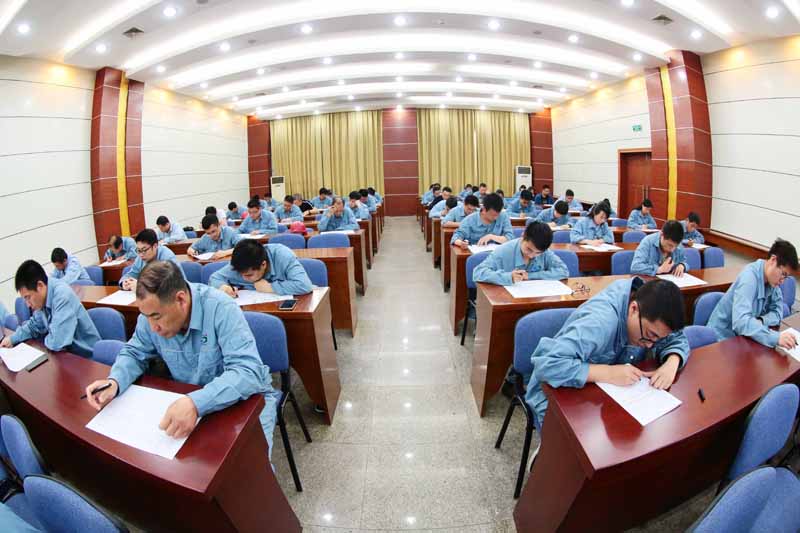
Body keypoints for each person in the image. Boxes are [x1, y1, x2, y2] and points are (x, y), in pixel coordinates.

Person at [83, 261, 281, 459]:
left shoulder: (221, 308)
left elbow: (247, 372)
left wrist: (196, 403)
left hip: (245, 401)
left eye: (156, 317)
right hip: (189, 399)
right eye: (146, 317)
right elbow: (134, 352)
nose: (152, 327)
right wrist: (115, 381)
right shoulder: (151, 311)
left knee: (249, 467)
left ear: (181, 299)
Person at [525, 277, 689, 429]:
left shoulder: (651, 312)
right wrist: (608, 373)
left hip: (605, 395)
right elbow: (547, 365)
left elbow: (676, 337)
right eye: (650, 335)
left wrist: (671, 363)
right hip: (556, 396)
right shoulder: (599, 323)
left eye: (658, 339)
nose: (650, 345)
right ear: (633, 309)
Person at [707, 239, 798, 350]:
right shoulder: (749, 278)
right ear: (773, 260)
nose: (782, 281)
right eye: (783, 274)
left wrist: (761, 320)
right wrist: (775, 338)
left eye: (786, 277)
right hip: (721, 340)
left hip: (744, 337)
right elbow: (741, 322)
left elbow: (778, 313)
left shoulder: (773, 282)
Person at [2, 260, 100, 357]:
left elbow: (56, 342)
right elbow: (34, 326)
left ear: (40, 285)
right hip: (65, 355)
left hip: (87, 358)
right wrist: (12, 339)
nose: (28, 304)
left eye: (28, 297)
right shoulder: (42, 299)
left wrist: (43, 339)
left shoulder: (62, 296)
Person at [474, 222, 570, 285]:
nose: (532, 255)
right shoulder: (504, 251)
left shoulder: (545, 252)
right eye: (529, 249)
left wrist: (531, 276)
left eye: (538, 253)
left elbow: (563, 271)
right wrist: (508, 277)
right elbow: (478, 272)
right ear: (523, 236)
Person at [210, 240, 312, 297]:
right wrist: (223, 287)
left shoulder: (283, 256)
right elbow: (215, 278)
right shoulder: (240, 263)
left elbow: (305, 285)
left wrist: (270, 287)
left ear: (263, 264)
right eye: (241, 274)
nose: (244, 278)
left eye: (249, 275)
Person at [120, 228, 184, 291]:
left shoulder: (167, 257)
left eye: (144, 250)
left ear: (155, 246)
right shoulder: (140, 258)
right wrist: (124, 282)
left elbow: (173, 284)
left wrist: (142, 286)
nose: (141, 254)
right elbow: (131, 274)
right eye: (138, 250)